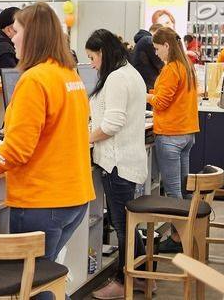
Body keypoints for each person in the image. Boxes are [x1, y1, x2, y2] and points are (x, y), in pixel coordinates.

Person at [0, 2, 95, 300]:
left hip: (43, 201)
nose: (12, 38)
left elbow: (16, 151)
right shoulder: (69, 76)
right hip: (74, 196)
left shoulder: (34, 79)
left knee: (33, 287)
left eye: (17, 31)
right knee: (44, 279)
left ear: (33, 36)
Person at [85, 29, 150, 299]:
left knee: (123, 227)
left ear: (103, 52)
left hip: (117, 164)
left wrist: (83, 138)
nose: (91, 64)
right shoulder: (129, 72)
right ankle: (143, 279)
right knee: (126, 225)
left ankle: (124, 283)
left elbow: (112, 124)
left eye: (92, 58)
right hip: (127, 161)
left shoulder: (116, 78)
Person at [146, 27, 199, 254]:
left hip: (170, 134)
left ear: (166, 45)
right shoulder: (186, 66)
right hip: (187, 133)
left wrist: (143, 95)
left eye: (157, 48)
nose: (156, 53)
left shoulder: (170, 69)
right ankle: (187, 234)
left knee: (173, 192)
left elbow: (161, 102)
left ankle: (178, 238)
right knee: (183, 189)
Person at [130, 23, 164, 91]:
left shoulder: (142, 41)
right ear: (158, 33)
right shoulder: (148, 40)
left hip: (141, 83)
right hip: (147, 85)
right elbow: (160, 64)